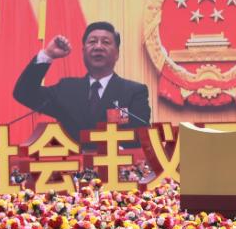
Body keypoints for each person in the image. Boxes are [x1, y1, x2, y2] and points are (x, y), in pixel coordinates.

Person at [13, 21, 151, 142]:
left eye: (106, 42)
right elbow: (24, 93)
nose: (98, 46)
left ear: (117, 54)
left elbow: (141, 135)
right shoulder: (66, 89)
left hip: (117, 167)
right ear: (83, 51)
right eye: (92, 42)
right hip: (74, 169)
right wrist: (48, 55)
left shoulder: (134, 92)